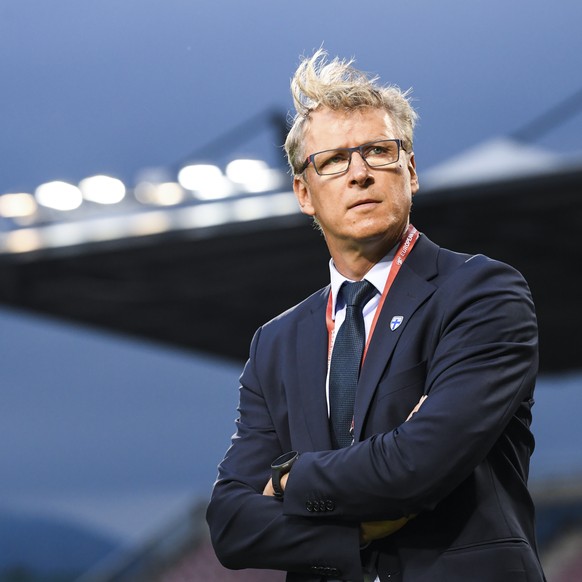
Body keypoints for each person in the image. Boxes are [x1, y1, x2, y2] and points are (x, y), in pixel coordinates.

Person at [206, 49, 546, 582]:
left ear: (410, 170)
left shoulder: (481, 293)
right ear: (303, 193)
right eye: (334, 160)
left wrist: (291, 478)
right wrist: (355, 533)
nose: (360, 173)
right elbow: (231, 525)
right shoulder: (276, 341)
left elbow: (418, 467)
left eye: (378, 151)